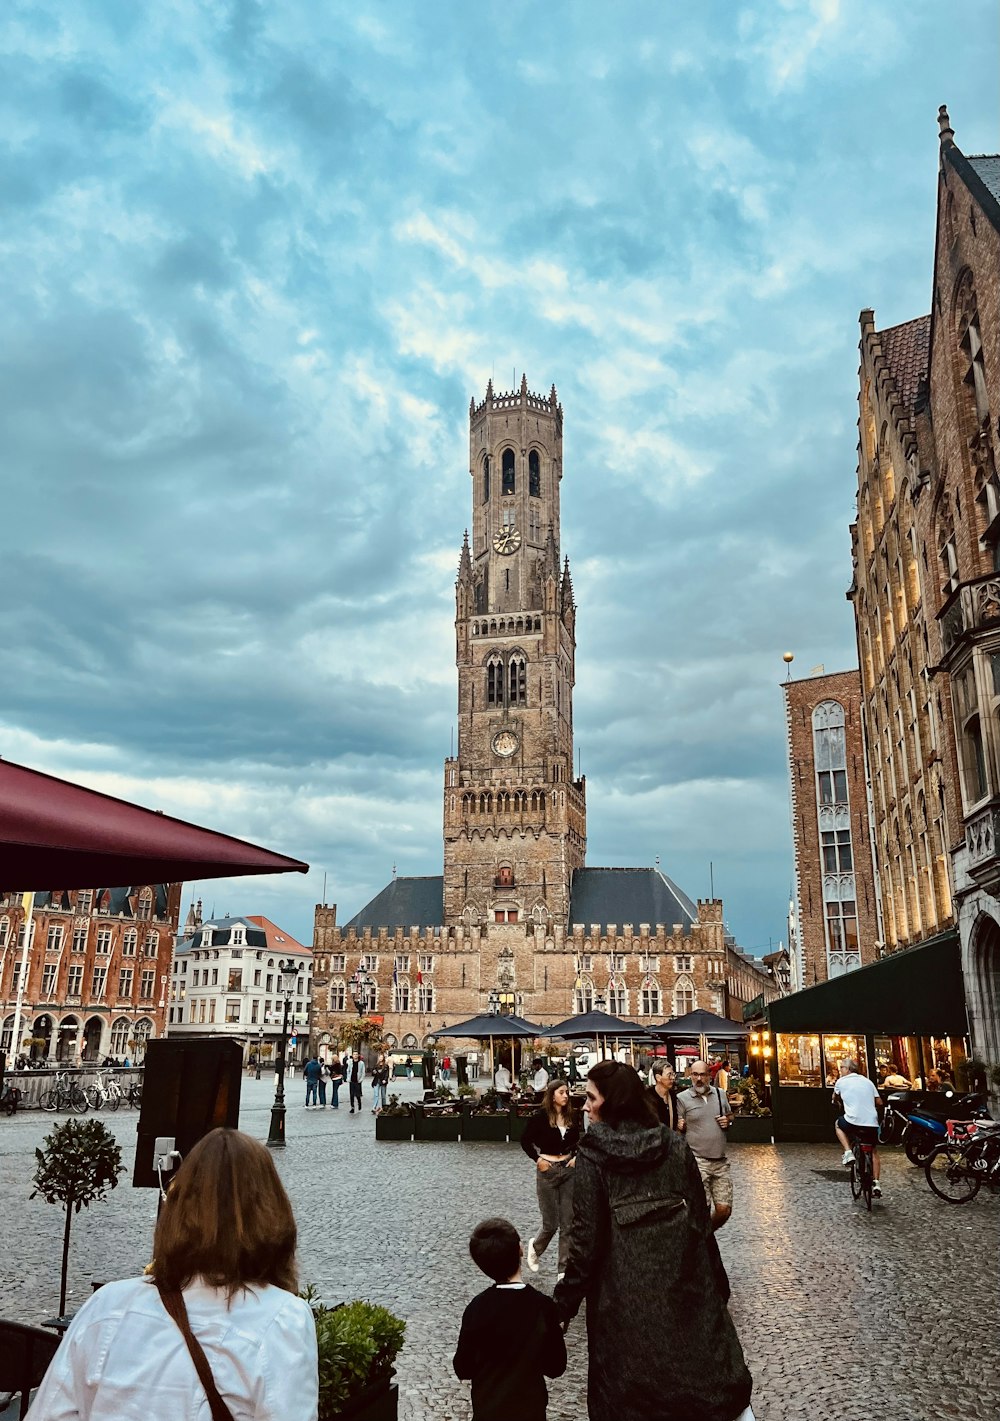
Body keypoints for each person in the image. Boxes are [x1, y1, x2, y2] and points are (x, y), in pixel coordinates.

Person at [25, 1128, 318, 1421]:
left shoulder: (108, 1305)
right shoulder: (281, 1318)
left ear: (177, 1209)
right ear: (273, 1214)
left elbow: (50, 1413)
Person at [553, 1062, 753, 1421]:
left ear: (613, 1103)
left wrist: (563, 1305)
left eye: (592, 1098)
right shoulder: (674, 1146)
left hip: (623, 1302)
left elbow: (585, 1240)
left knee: (631, 1398)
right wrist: (715, 1288)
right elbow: (699, 1223)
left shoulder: (594, 1156)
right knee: (700, 1389)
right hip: (684, 1290)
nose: (584, 1105)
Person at [454, 1217, 566, 1421]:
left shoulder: (476, 1309)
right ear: (521, 1250)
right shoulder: (542, 1307)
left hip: (488, 1412)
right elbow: (556, 1367)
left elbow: (463, 1367)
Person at [521, 1081, 580, 1281]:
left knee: (568, 1222)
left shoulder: (572, 1115)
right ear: (552, 1095)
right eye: (562, 1092)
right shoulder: (541, 1117)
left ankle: (562, 1270)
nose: (566, 1095)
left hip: (568, 1170)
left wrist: (576, 1157)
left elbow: (579, 1140)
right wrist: (537, 1159)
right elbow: (525, 1140)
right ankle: (535, 1248)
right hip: (548, 1170)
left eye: (567, 1092)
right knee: (550, 1223)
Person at [676, 1059, 733, 1230]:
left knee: (724, 1210)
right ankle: (702, 1244)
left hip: (720, 1160)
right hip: (698, 1160)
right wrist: (680, 1126)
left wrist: (728, 1121)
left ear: (709, 1076)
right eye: (695, 1074)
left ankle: (703, 1236)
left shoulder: (720, 1094)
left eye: (702, 1074)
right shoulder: (682, 1098)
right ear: (690, 1076)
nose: (699, 1078)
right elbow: (676, 1128)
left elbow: (730, 1116)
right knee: (702, 1209)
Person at [833, 1057, 883, 1198]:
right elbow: (879, 1101)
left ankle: (848, 1152)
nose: (840, 1070)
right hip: (871, 1123)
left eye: (842, 1067)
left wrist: (838, 1101)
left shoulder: (841, 1082)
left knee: (838, 1124)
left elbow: (835, 1098)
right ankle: (877, 1183)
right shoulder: (868, 1082)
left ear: (848, 1070)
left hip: (852, 1121)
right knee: (873, 1151)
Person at [647, 1059, 680, 1131]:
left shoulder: (672, 1096)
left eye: (673, 1074)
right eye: (669, 1075)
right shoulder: (647, 1097)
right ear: (658, 1077)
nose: (673, 1078)